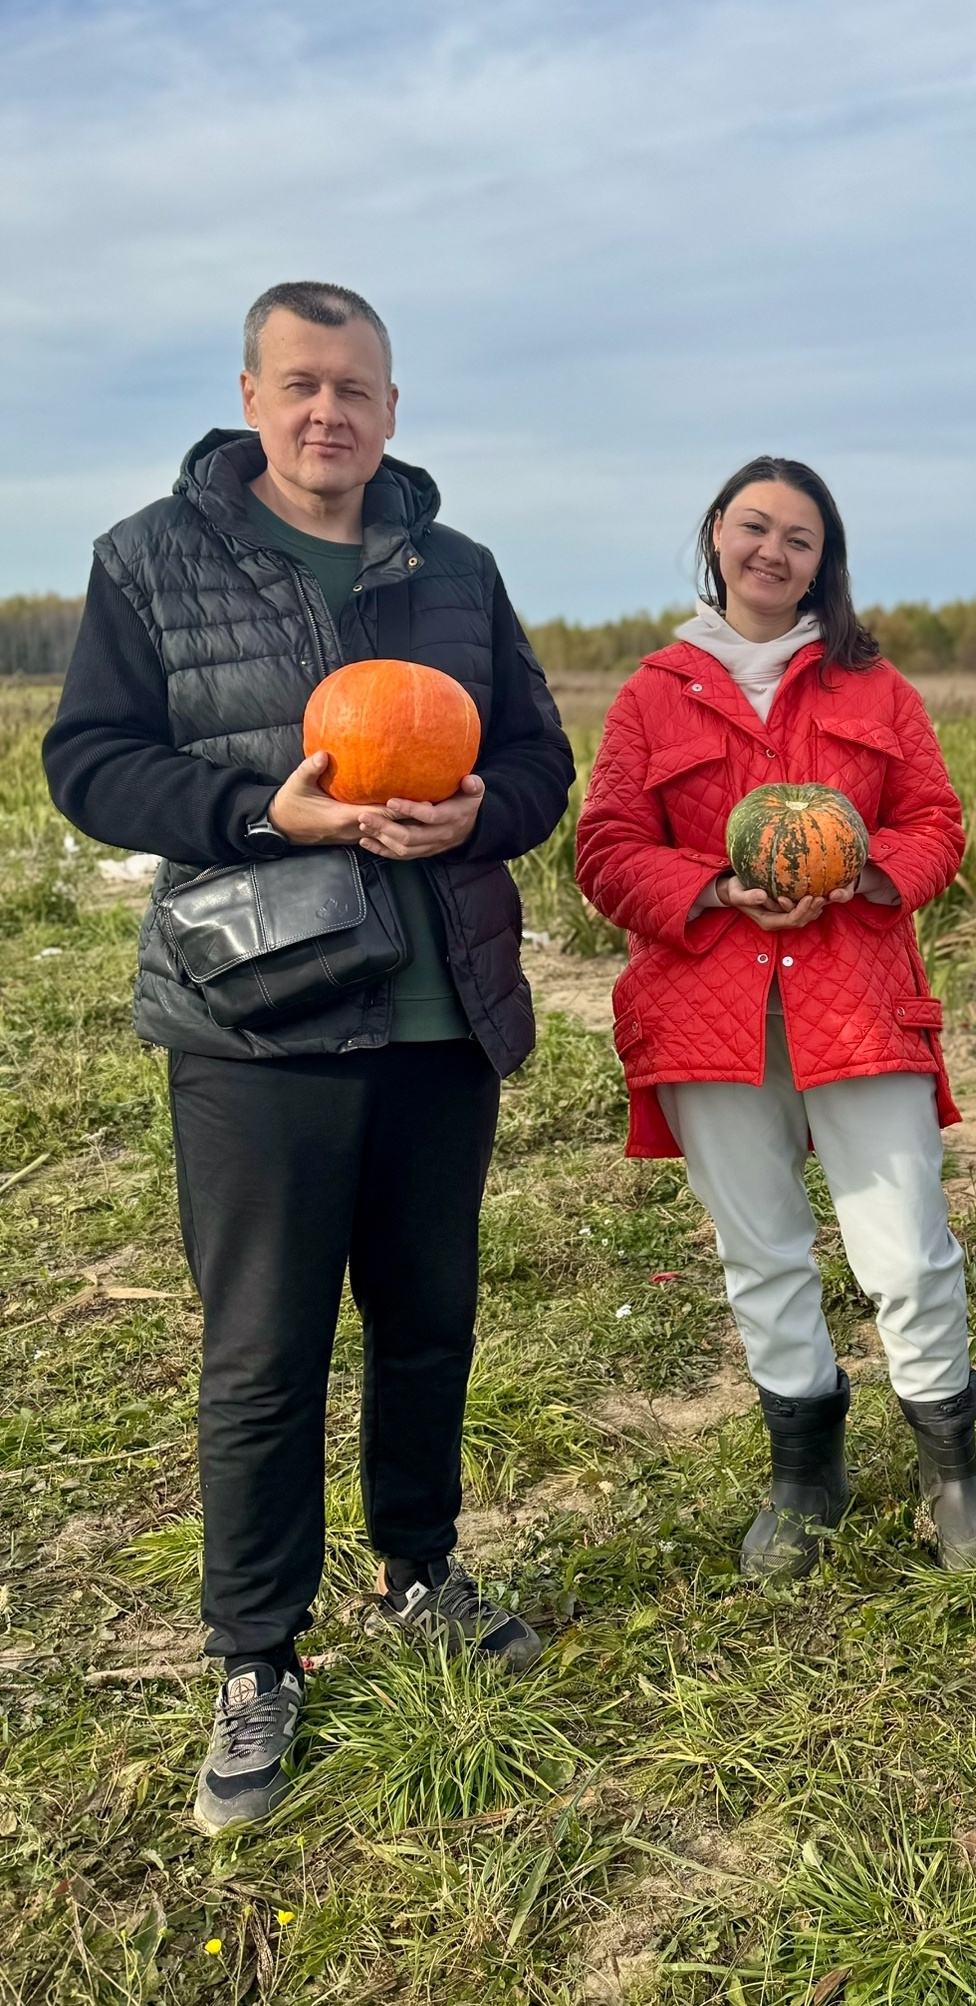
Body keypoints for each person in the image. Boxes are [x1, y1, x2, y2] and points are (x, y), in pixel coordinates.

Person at [42, 282, 574, 1835]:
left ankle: (419, 1568)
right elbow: (90, 760)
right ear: (252, 398)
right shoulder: (154, 556)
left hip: (440, 1014)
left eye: (355, 387)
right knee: (264, 1349)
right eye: (301, 384)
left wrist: (483, 811)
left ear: (392, 409)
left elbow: (537, 757)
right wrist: (263, 811)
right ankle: (257, 1651)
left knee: (428, 1320)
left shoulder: (457, 570)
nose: (328, 411)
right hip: (257, 1018)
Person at [575, 456, 976, 1578]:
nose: (773, 550)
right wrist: (716, 887)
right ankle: (804, 1473)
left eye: (799, 538)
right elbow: (606, 848)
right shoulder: (654, 692)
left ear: (824, 562)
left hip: (855, 998)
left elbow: (936, 821)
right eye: (754, 526)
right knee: (761, 1248)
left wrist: (864, 874)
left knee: (906, 1244)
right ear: (717, 533)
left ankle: (950, 1468)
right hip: (707, 1009)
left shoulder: (876, 689)